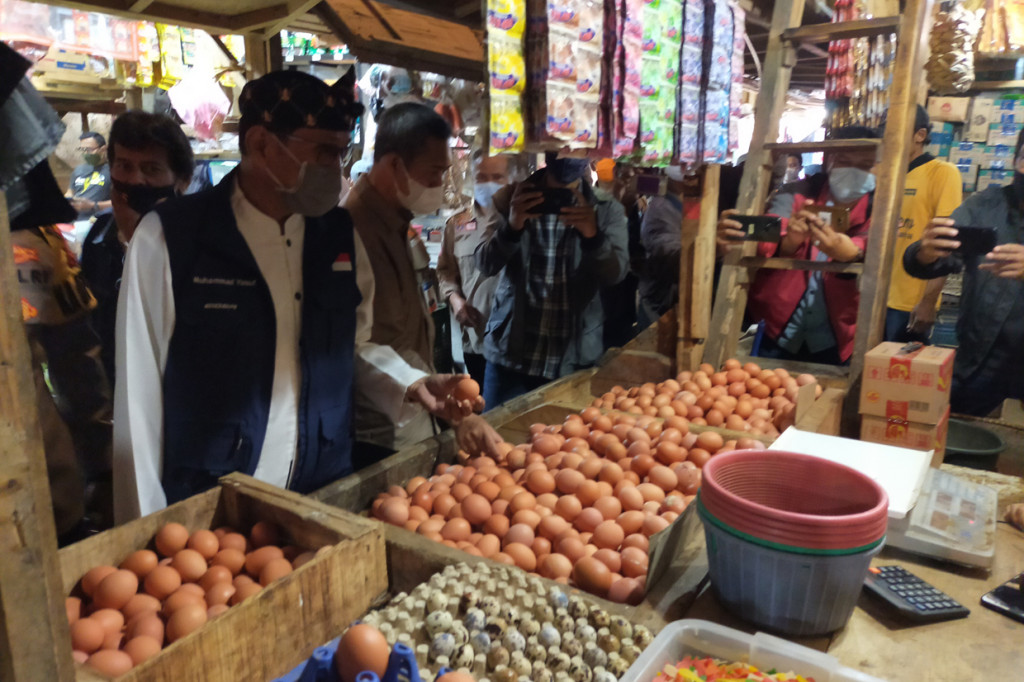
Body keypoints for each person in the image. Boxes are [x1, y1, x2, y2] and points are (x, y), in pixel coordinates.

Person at [114, 71, 480, 521]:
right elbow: (138, 396)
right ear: (263, 144)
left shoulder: (337, 235)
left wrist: (412, 383)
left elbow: (354, 344)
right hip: (212, 507)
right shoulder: (172, 237)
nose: (336, 168)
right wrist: (144, 532)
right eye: (324, 152)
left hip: (321, 493)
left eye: (341, 152)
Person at [345, 103, 501, 458]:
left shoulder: (400, 225)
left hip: (420, 411)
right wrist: (413, 384)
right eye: (433, 173)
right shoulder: (353, 233)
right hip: (379, 428)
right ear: (395, 165)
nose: (440, 184)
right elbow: (352, 344)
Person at [717, 125, 882, 365]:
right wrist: (751, 233)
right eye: (845, 160)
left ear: (880, 167)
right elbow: (767, 229)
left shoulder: (880, 207)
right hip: (778, 329)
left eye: (865, 164)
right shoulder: (798, 192)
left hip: (840, 336)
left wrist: (853, 252)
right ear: (829, 161)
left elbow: (875, 244)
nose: (854, 171)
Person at [476, 152, 629, 407]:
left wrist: (594, 238)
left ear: (590, 151)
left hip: (573, 359)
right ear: (547, 148)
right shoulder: (512, 198)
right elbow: (484, 264)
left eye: (578, 147)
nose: (570, 153)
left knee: (566, 444)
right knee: (496, 442)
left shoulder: (605, 208)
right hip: (511, 358)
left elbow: (616, 274)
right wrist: (511, 228)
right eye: (562, 146)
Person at [903, 128, 1024, 416]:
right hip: (978, 362)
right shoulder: (985, 205)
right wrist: (924, 252)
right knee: (960, 445)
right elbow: (935, 260)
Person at [80, 111, 195, 385]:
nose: (135, 180)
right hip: (113, 391)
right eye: (124, 166)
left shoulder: (199, 243)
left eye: (151, 169)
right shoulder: (98, 238)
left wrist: (136, 238)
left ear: (183, 180)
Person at [884, 105, 963, 343]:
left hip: (908, 304)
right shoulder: (884, 175)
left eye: (897, 130)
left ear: (920, 135)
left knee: (898, 377)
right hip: (872, 298)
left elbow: (945, 245)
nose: (889, 137)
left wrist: (928, 301)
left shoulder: (942, 173)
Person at [437, 150, 509, 386]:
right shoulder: (458, 224)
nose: (488, 184)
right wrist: (455, 299)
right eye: (481, 177)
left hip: (512, 345)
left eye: (497, 177)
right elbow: (445, 271)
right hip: (475, 338)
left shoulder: (519, 223)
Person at [637, 166, 700, 328]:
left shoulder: (689, 205)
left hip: (676, 308)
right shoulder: (660, 210)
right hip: (660, 312)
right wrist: (710, 250)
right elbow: (670, 257)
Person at [67, 131, 112, 219]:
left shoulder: (114, 171)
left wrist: (93, 205)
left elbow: (123, 203)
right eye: (83, 150)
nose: (85, 154)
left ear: (103, 149)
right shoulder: (78, 170)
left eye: (89, 150)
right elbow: (70, 192)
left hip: (97, 220)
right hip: (74, 219)